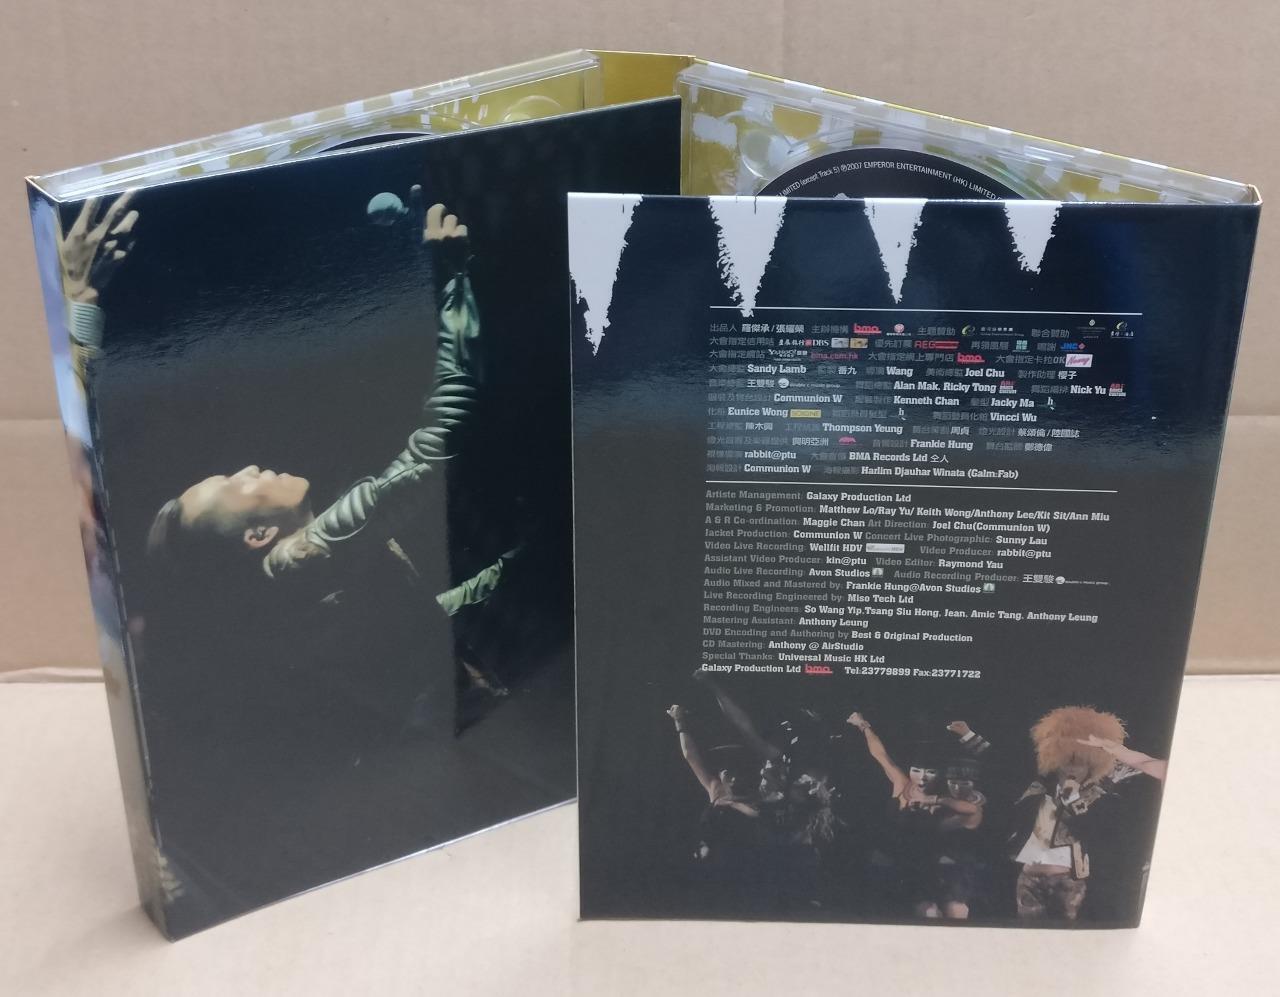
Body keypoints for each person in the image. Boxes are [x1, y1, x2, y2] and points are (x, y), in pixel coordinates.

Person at [1008, 706, 1167, 922]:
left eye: (1080, 763)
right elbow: (1013, 819)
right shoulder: (1037, 791)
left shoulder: (1101, 799)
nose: (1072, 768)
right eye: (1067, 762)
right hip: (1029, 877)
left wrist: (1074, 800)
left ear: (1091, 767)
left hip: (1068, 881)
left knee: (1067, 936)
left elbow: (1096, 834)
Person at [846, 711, 988, 919]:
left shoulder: (947, 798)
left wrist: (935, 802)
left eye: (930, 772)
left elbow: (973, 811)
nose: (922, 778)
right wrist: (863, 726)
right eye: (917, 770)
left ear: (939, 774)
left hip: (934, 867)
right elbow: (881, 755)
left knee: (949, 911)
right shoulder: (902, 784)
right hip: (895, 864)